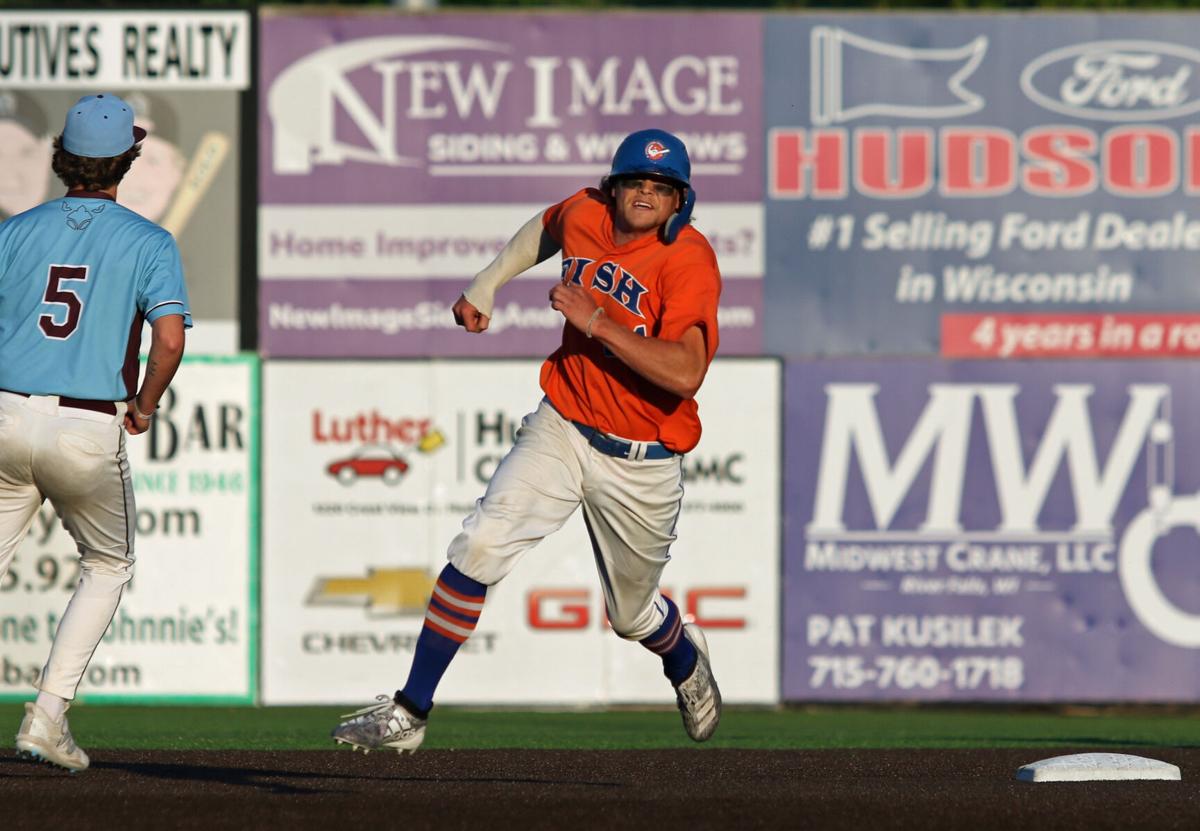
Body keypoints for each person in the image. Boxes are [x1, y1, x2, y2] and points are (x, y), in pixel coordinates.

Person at [333, 128, 722, 753]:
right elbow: (547, 227)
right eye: (636, 183)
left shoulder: (688, 260)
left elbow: (685, 371)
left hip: (641, 458)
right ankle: (411, 711)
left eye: (662, 187)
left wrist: (595, 320)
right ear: (614, 186)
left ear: (681, 203)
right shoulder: (588, 211)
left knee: (630, 617)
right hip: (565, 423)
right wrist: (487, 283)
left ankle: (682, 657)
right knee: (480, 543)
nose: (646, 195)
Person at [0, 93, 190, 771]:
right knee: (108, 564)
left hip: (6, 412)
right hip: (85, 420)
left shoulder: (15, 229)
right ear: (127, 159)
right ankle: (46, 716)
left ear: (61, 156)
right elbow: (167, 340)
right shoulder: (147, 239)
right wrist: (144, 402)